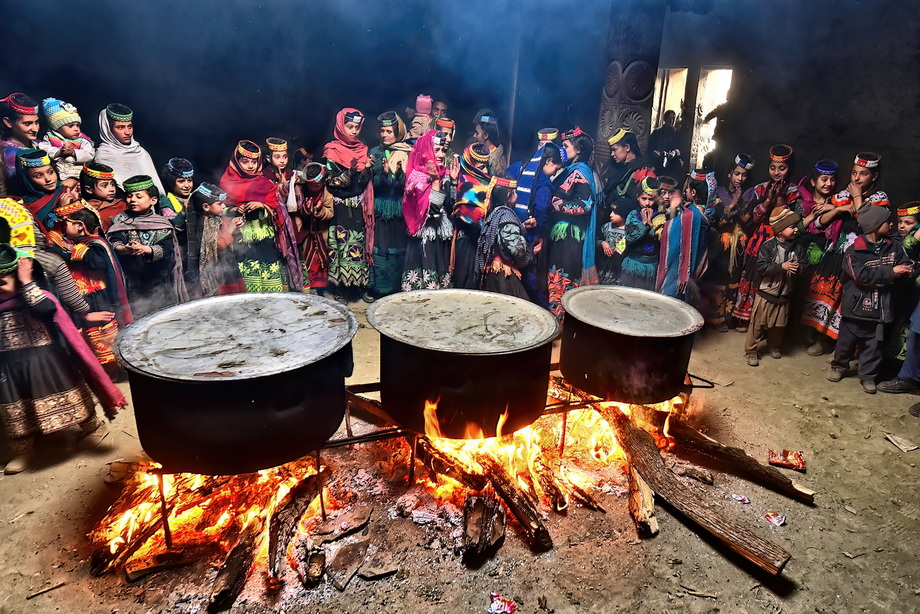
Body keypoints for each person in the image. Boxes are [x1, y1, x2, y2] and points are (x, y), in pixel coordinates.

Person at [0, 245, 126, 474]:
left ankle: (93, 427)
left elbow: (45, 309)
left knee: (72, 395)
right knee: (16, 408)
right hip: (7, 365)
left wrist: (27, 283)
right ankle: (24, 448)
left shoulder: (35, 296)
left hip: (45, 360)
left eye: (2, 282)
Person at [802, 155, 886, 353]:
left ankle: (843, 347)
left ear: (873, 177)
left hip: (861, 257)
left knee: (848, 301)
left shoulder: (879, 198)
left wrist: (856, 198)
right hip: (837, 253)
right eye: (854, 173)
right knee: (827, 294)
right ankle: (823, 339)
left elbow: (868, 224)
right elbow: (819, 222)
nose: (856, 179)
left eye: (863, 174)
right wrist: (840, 209)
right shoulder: (841, 195)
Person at [828, 206, 913, 394]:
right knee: (845, 343)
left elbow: (905, 263)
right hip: (856, 309)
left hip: (881, 310)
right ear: (875, 226)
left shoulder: (894, 246)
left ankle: (867, 376)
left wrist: (908, 268)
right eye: (886, 222)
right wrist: (891, 272)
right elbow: (861, 276)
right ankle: (839, 366)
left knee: (874, 347)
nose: (891, 224)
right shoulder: (854, 251)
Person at [45, 200, 132, 376]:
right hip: (83, 297)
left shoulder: (95, 244)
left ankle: (113, 372)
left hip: (98, 297)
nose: (61, 227)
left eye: (65, 223)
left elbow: (91, 261)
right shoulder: (81, 242)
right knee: (88, 333)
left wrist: (60, 249)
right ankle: (98, 371)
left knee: (103, 333)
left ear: (79, 226)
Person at [732, 144, 801, 332]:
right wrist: (768, 201)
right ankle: (745, 318)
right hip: (759, 239)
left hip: (780, 242)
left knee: (772, 279)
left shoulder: (795, 192)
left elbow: (793, 220)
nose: (776, 172)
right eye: (773, 168)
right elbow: (752, 218)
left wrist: (779, 201)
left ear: (789, 169)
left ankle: (763, 323)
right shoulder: (761, 189)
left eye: (782, 168)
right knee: (752, 276)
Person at [219, 139, 303, 293]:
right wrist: (233, 210)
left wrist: (262, 205)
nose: (250, 166)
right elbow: (219, 210)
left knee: (269, 276)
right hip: (239, 239)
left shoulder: (265, 184)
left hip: (264, 238)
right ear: (236, 162)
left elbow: (278, 210)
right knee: (247, 278)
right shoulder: (226, 183)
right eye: (245, 162)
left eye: (254, 161)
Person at [107, 175, 188, 317]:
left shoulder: (161, 223)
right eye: (130, 196)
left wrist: (146, 249)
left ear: (153, 200)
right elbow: (114, 243)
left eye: (139, 196)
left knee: (164, 317)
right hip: (132, 280)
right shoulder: (120, 221)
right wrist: (125, 249)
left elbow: (167, 249)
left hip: (159, 281)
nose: (132, 200)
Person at [544, 128, 601, 316]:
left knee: (564, 278)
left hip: (570, 237)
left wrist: (556, 203)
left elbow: (586, 205)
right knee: (556, 277)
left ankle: (562, 320)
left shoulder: (580, 172)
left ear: (578, 150)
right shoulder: (568, 170)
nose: (563, 149)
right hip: (561, 236)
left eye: (566, 146)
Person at [323, 108, 373, 301]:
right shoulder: (331, 150)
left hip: (358, 206)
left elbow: (362, 183)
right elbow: (331, 183)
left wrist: (366, 169)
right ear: (340, 126)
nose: (353, 131)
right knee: (342, 246)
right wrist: (350, 173)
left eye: (356, 127)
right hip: (340, 207)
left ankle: (357, 287)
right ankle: (341, 290)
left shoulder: (362, 149)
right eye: (349, 126)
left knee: (358, 245)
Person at [743, 208, 804, 367]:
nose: (796, 229)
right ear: (780, 230)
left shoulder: (797, 247)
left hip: (784, 294)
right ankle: (751, 350)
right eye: (792, 226)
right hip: (766, 293)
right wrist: (781, 267)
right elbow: (762, 267)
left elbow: (804, 264)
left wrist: (799, 269)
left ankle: (774, 346)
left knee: (779, 325)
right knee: (758, 324)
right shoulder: (768, 246)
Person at [704, 153, 756, 331]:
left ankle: (729, 316)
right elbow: (719, 219)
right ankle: (715, 318)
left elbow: (749, 221)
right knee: (718, 278)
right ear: (729, 174)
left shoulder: (750, 195)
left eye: (744, 175)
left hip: (740, 245)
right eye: (737, 174)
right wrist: (733, 203)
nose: (740, 178)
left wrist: (741, 208)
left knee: (734, 279)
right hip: (721, 245)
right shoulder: (719, 192)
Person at [366, 112, 411, 301]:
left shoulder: (408, 152)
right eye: (382, 131)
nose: (384, 135)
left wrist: (399, 175)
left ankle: (395, 289)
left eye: (389, 131)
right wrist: (383, 175)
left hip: (399, 210)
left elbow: (410, 186)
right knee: (380, 248)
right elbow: (370, 185)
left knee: (398, 249)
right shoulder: (375, 153)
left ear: (398, 132)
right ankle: (378, 288)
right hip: (381, 209)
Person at [402, 130, 453, 291]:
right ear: (425, 151)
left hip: (440, 236)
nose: (441, 155)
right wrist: (436, 182)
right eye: (436, 149)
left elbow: (451, 206)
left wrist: (454, 183)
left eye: (443, 150)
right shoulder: (416, 178)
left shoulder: (444, 174)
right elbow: (433, 212)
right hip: (424, 238)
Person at [474, 177, 533, 299]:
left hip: (492, 270)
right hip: (503, 274)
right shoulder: (506, 215)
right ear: (508, 196)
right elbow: (517, 250)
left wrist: (520, 227)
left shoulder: (496, 212)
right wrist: (528, 246)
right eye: (514, 192)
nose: (516, 195)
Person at [657, 171, 710, 303]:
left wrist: (672, 210)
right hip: (693, 277)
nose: (685, 190)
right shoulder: (702, 214)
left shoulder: (690, 216)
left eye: (687, 188)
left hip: (678, 277)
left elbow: (668, 232)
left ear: (693, 193)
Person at [188, 182, 245, 297]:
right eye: (220, 204)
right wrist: (231, 229)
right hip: (218, 269)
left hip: (228, 264)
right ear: (206, 207)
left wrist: (236, 226)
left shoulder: (217, 218)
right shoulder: (205, 223)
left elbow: (231, 234)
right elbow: (217, 245)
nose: (224, 206)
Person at [94, 103, 165, 194]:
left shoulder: (140, 152)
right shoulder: (103, 156)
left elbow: (157, 188)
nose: (127, 132)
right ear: (108, 129)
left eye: (130, 126)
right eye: (120, 127)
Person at [452, 142, 493, 289]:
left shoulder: (490, 184)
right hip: (467, 243)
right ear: (470, 165)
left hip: (482, 242)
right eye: (481, 167)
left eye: (487, 166)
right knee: (466, 283)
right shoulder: (461, 183)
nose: (486, 171)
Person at [290, 161, 333, 295]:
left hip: (322, 232)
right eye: (312, 185)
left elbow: (330, 212)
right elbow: (297, 209)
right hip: (307, 233)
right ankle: (311, 286)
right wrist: (306, 209)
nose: (315, 188)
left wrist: (319, 211)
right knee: (309, 259)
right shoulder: (301, 190)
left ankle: (323, 288)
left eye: (318, 185)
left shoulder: (327, 192)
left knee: (322, 260)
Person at [620, 177, 665, 291]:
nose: (647, 203)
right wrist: (645, 224)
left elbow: (660, 239)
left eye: (650, 199)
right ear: (637, 198)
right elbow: (630, 238)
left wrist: (651, 224)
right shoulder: (633, 215)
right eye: (643, 198)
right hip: (632, 265)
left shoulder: (660, 218)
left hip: (650, 268)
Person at [15, 149, 75, 234]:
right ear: (27, 179)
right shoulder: (23, 205)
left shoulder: (65, 191)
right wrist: (63, 210)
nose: (48, 179)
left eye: (50, 172)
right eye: (38, 176)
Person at [38, 98, 95, 181]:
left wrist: (73, 152)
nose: (76, 129)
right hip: (58, 175)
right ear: (57, 127)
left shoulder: (82, 140)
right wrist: (59, 152)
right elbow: (44, 149)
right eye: (71, 126)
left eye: (77, 125)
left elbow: (90, 154)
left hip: (79, 175)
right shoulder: (50, 137)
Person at [603, 128, 656, 207]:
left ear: (627, 147)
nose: (612, 154)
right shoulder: (617, 168)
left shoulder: (644, 170)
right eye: (611, 151)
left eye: (615, 150)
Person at [1, 93, 40, 182]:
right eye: (27, 124)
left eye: (37, 122)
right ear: (8, 122)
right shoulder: (10, 155)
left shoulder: (39, 143)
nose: (35, 129)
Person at [597, 198, 634, 285]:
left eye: (615, 213)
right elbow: (596, 239)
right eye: (611, 211)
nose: (611, 215)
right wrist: (602, 243)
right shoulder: (606, 227)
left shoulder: (629, 232)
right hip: (604, 266)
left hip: (619, 268)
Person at [80, 162, 125, 231]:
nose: (112, 189)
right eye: (104, 185)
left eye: (112, 184)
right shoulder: (83, 209)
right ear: (89, 189)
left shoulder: (122, 205)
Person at [648, 110, 683, 176]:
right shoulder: (656, 132)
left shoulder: (677, 134)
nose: (671, 121)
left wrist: (675, 152)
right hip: (658, 162)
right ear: (664, 119)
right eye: (669, 118)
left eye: (673, 118)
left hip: (672, 164)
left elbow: (681, 149)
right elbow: (650, 148)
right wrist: (654, 153)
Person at [473, 113, 508, 178]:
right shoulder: (487, 155)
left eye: (477, 133)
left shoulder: (495, 161)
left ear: (485, 135)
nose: (474, 135)